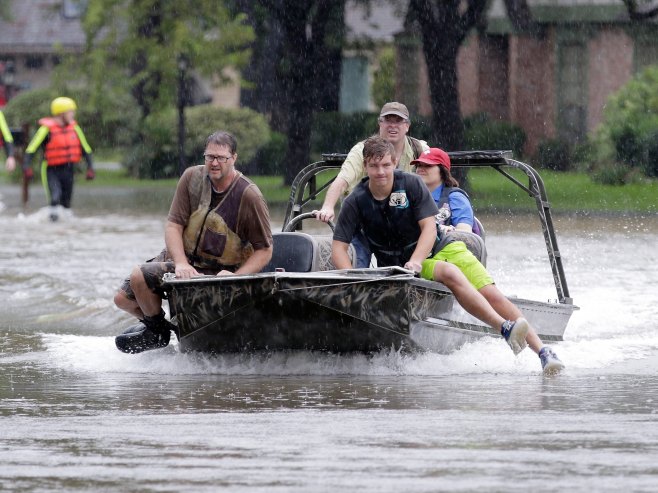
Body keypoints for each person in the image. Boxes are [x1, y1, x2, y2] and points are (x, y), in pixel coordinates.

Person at [331, 136, 530, 359]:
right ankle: (506, 329)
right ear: (365, 166)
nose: (380, 171)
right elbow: (340, 245)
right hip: (407, 263)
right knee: (446, 271)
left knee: (482, 288)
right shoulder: (359, 199)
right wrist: (351, 279)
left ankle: (537, 347)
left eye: (428, 166)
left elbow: (454, 230)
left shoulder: (442, 193)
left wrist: (437, 241)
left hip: (446, 248)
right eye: (420, 166)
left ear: (395, 163)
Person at [114, 130, 273, 354]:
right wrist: (180, 263)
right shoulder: (191, 178)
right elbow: (173, 226)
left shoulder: (249, 196)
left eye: (221, 158)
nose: (214, 163)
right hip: (183, 258)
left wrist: (237, 277)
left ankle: (175, 330)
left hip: (219, 269)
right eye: (209, 157)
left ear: (234, 158)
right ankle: (160, 331)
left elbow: (265, 250)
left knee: (140, 274)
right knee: (123, 298)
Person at [413, 147, 565, 372]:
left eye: (428, 166)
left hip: (452, 250)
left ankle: (543, 351)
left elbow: (465, 231)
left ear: (442, 171)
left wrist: (438, 229)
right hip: (422, 258)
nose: (421, 169)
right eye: (419, 165)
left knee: (493, 295)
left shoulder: (454, 197)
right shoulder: (409, 195)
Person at [315, 101, 429, 267]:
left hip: (401, 222)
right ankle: (358, 285)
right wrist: (328, 206)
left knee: (412, 261)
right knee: (357, 262)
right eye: (388, 120)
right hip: (362, 220)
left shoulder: (419, 150)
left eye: (398, 121)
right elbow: (342, 180)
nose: (392, 126)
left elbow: (436, 180)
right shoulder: (361, 153)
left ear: (407, 126)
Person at [22, 97, 95, 221]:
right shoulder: (46, 129)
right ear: (61, 113)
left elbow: (86, 150)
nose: (73, 114)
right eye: (70, 111)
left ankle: (64, 233)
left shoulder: (75, 128)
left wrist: (90, 168)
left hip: (68, 170)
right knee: (55, 198)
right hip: (51, 170)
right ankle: (52, 227)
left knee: (66, 204)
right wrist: (27, 166)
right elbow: (31, 149)